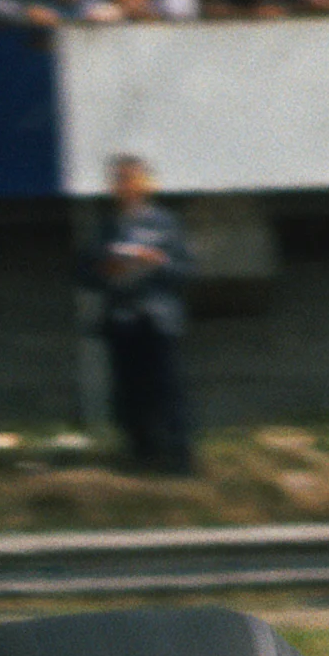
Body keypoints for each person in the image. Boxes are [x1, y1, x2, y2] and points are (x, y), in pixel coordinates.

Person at [85, 156, 199, 476]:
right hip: (123, 319)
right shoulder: (107, 228)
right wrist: (107, 269)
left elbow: (184, 269)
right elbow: (86, 272)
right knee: (129, 391)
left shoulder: (165, 224)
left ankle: (180, 459)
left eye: (132, 179)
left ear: (146, 184)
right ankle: (141, 455)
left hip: (158, 318)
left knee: (167, 389)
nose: (126, 186)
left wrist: (156, 262)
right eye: (120, 180)